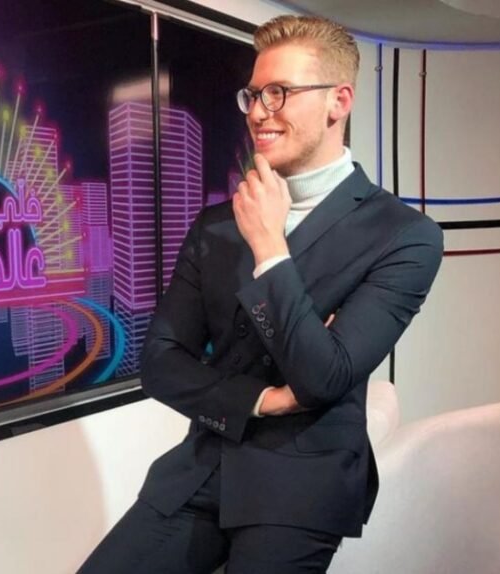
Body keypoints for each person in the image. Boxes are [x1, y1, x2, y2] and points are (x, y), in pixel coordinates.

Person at [78, 15, 443, 574]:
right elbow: (160, 363)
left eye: (280, 92)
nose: (257, 111)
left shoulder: (403, 235)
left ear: (338, 101)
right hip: (204, 466)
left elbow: (324, 376)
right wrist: (263, 399)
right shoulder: (216, 225)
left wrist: (270, 247)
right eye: (253, 94)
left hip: (301, 482)